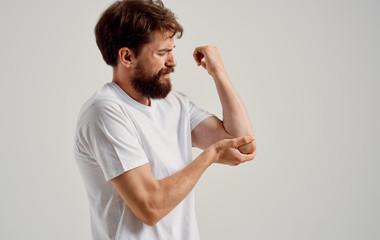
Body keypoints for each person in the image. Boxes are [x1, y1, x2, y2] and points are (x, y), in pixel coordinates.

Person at [74, 0, 257, 239]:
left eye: (172, 50)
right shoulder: (105, 112)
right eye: (162, 53)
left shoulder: (174, 103)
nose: (173, 61)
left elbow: (242, 142)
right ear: (127, 57)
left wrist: (218, 71)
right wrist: (209, 156)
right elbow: (150, 207)